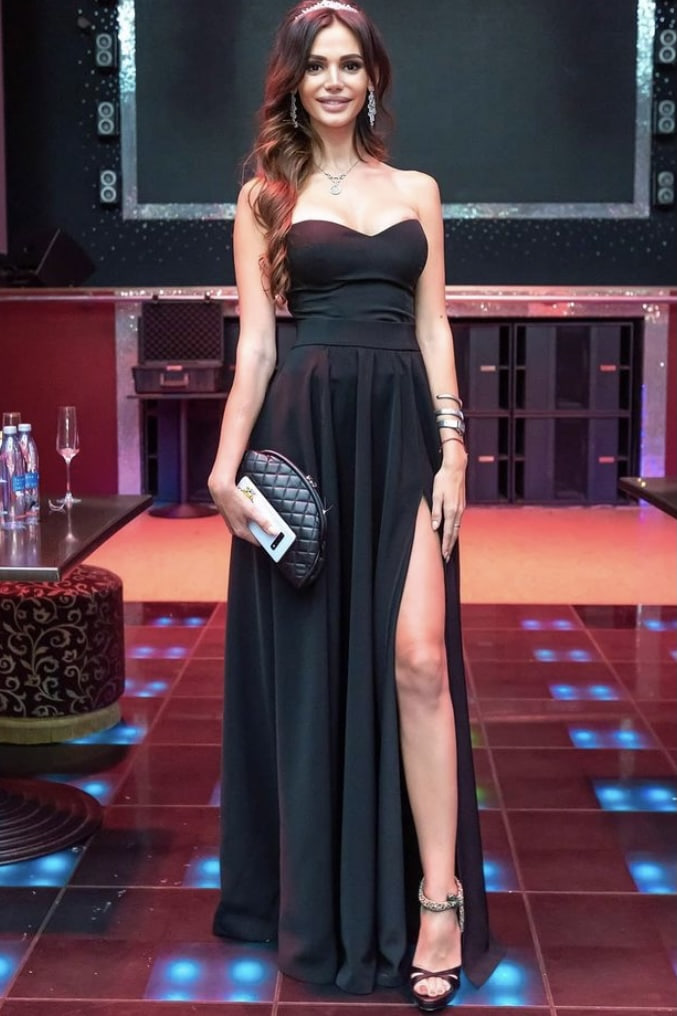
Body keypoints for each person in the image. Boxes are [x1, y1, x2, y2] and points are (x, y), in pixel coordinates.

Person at [208, 1, 502, 1009]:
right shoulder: (263, 199)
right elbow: (256, 345)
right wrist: (224, 466)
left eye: (348, 64)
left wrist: (453, 446)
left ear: (372, 78)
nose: (332, 79)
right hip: (305, 433)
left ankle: (438, 898)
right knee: (319, 671)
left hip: (401, 436)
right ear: (293, 83)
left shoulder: (417, 190)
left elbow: (433, 329)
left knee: (419, 658)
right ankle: (329, 896)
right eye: (315, 65)